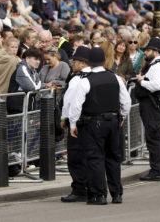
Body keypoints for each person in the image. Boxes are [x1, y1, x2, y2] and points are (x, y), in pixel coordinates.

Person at [66, 47, 130, 205]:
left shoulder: (85, 80)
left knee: (95, 159)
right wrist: (122, 116)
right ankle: (117, 194)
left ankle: (99, 195)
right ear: (103, 61)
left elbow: (76, 106)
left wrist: (73, 123)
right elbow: (126, 101)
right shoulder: (115, 77)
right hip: (114, 122)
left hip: (93, 123)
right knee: (113, 159)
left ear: (89, 62)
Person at [135, 37, 160, 181]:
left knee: (154, 139)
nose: (145, 53)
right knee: (158, 138)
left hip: (154, 105)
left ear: (156, 51)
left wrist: (142, 81)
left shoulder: (158, 66)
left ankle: (157, 171)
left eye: (148, 50)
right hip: (155, 104)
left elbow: (157, 85)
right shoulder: (157, 64)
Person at [60, 46, 91, 203]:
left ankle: (79, 189)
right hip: (92, 123)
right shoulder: (96, 76)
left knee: (75, 157)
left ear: (83, 62)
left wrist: (65, 119)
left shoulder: (77, 79)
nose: (72, 63)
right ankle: (90, 187)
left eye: (75, 61)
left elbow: (69, 102)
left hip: (77, 123)